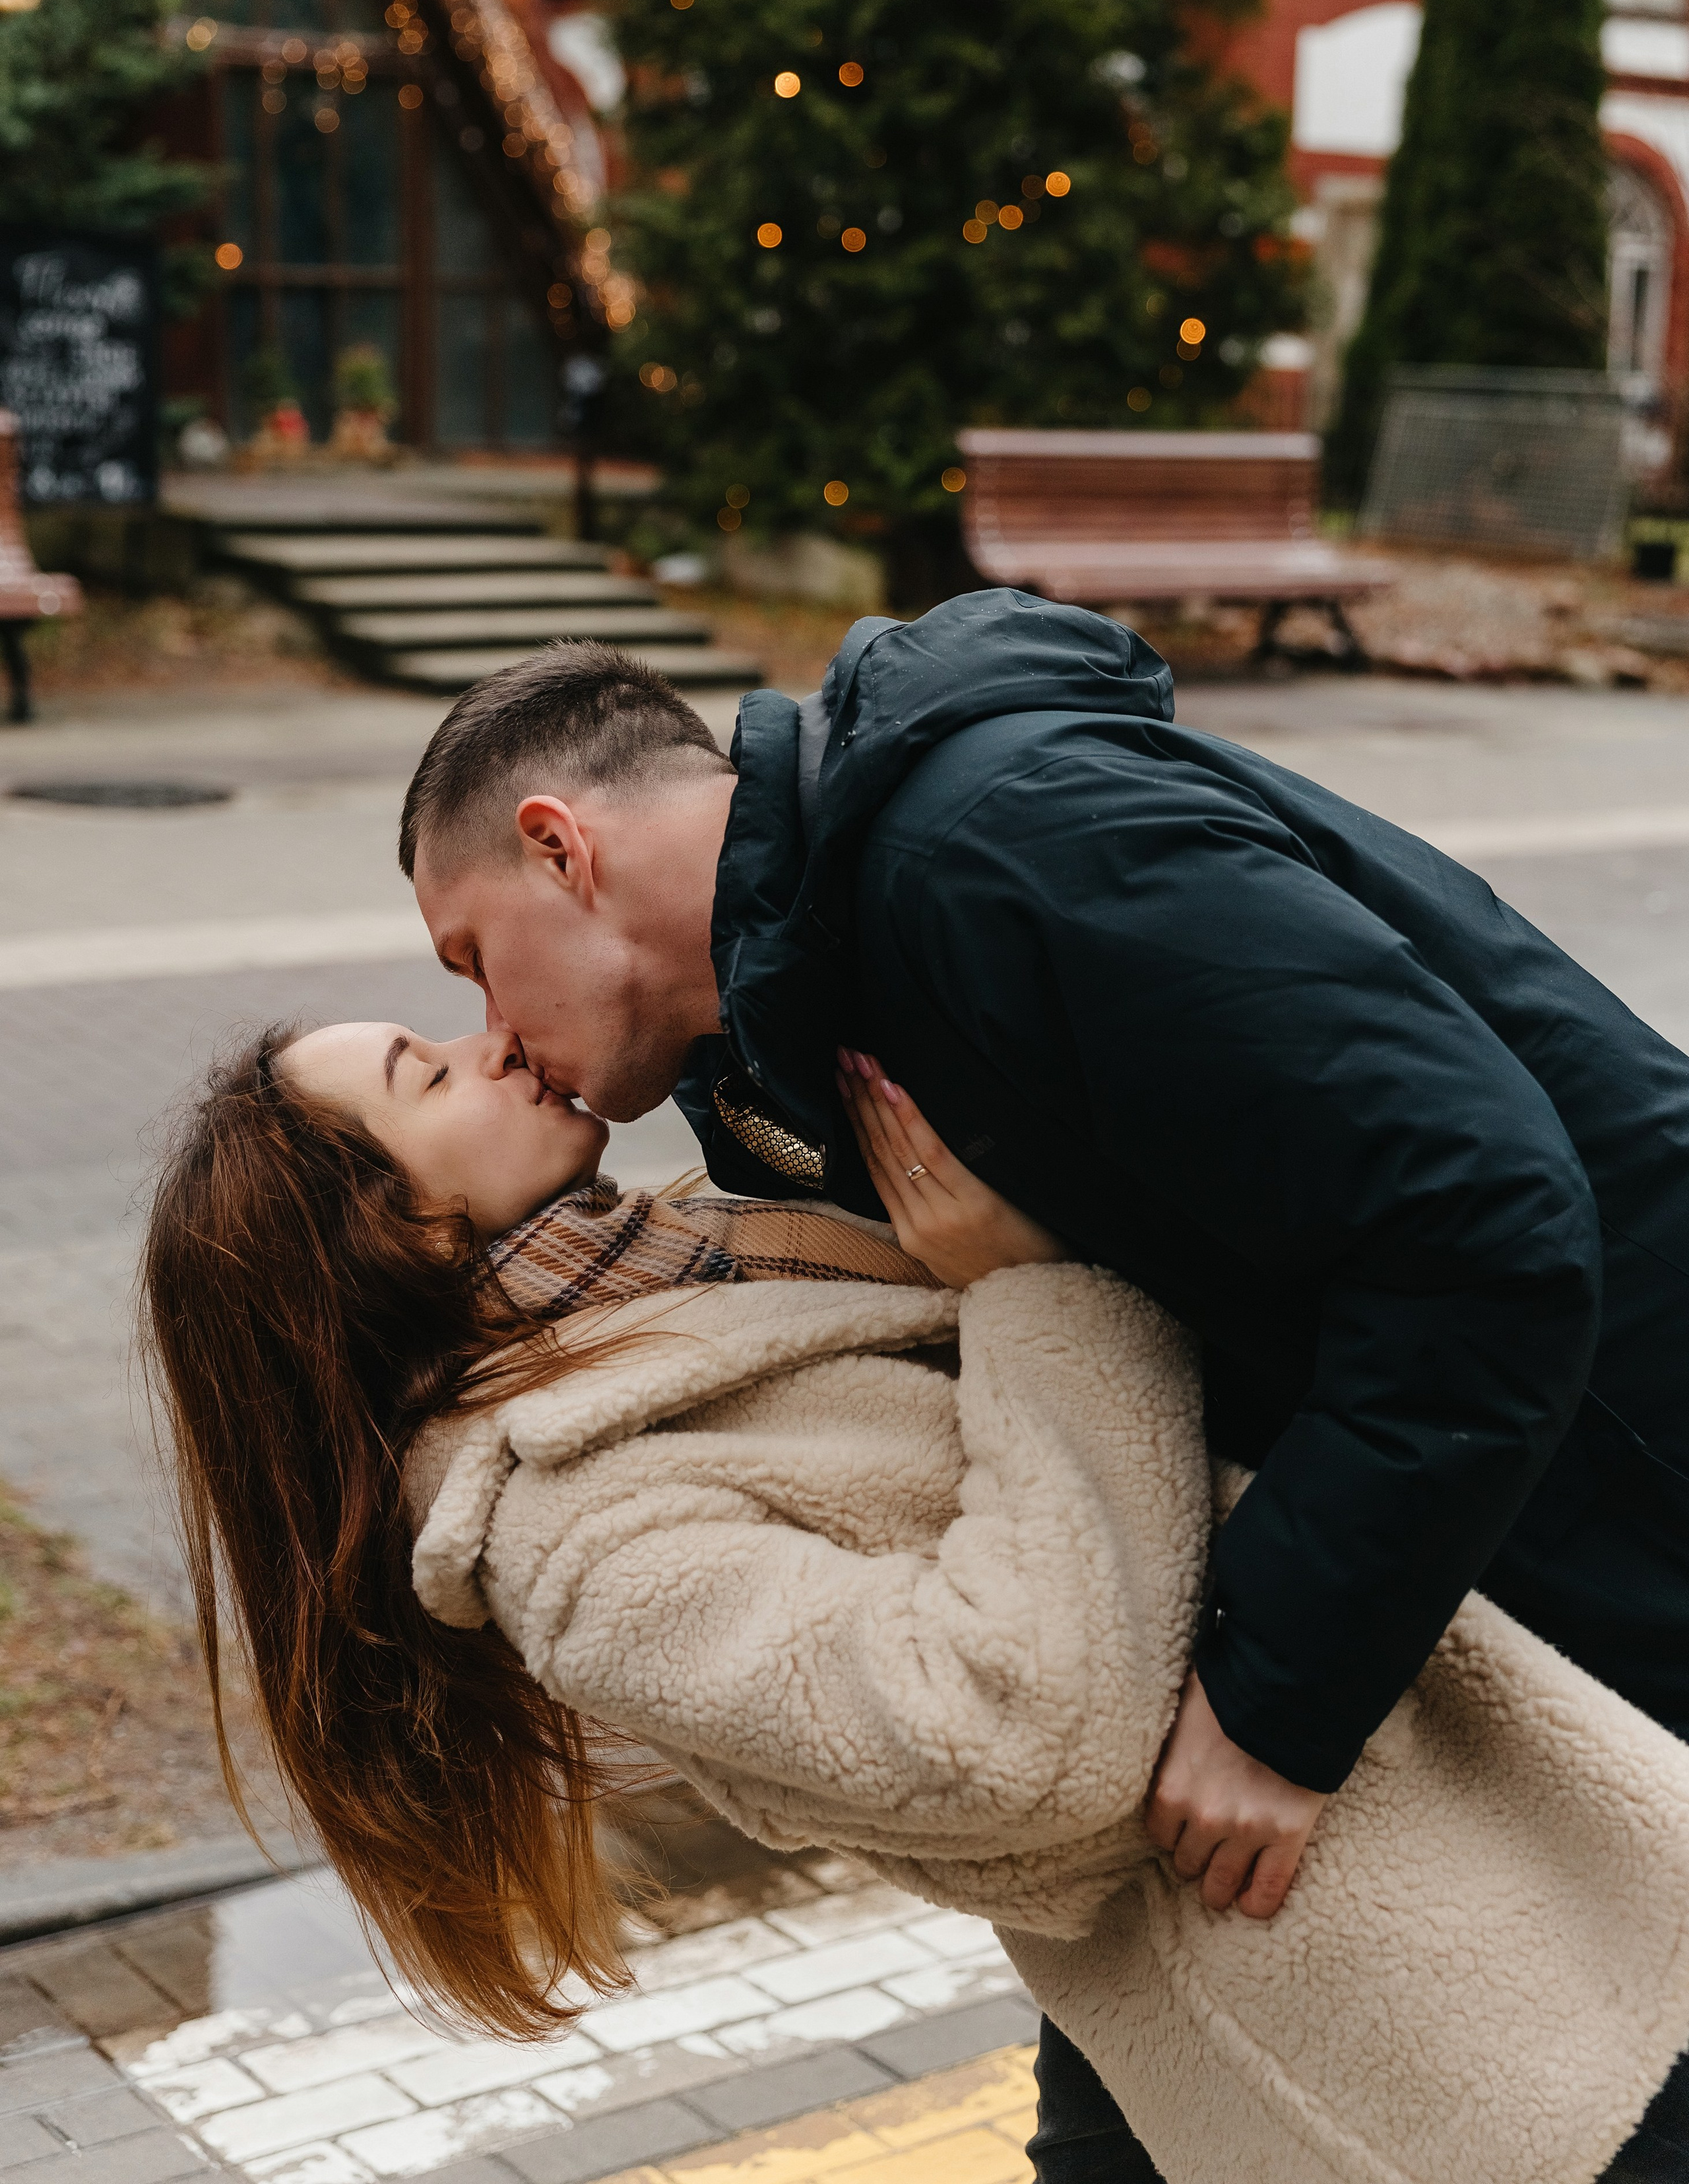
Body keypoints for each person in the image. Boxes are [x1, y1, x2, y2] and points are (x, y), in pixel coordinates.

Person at [395, 601, 1689, 2172]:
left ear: (559, 847)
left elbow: (1482, 1221)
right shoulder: (785, 1036)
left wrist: (1279, 1702)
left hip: (1624, 1465)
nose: (492, 1030)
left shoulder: (1005, 844)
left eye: (472, 958)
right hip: (1433, 1554)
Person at [143, 1016, 1689, 2184]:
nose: (491, 1041)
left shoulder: (691, 1258)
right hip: (1429, 2015)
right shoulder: (571, 1540)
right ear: (400, 1228)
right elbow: (1000, 1735)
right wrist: (1031, 1299)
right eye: (431, 1073)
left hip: (1498, 1833)